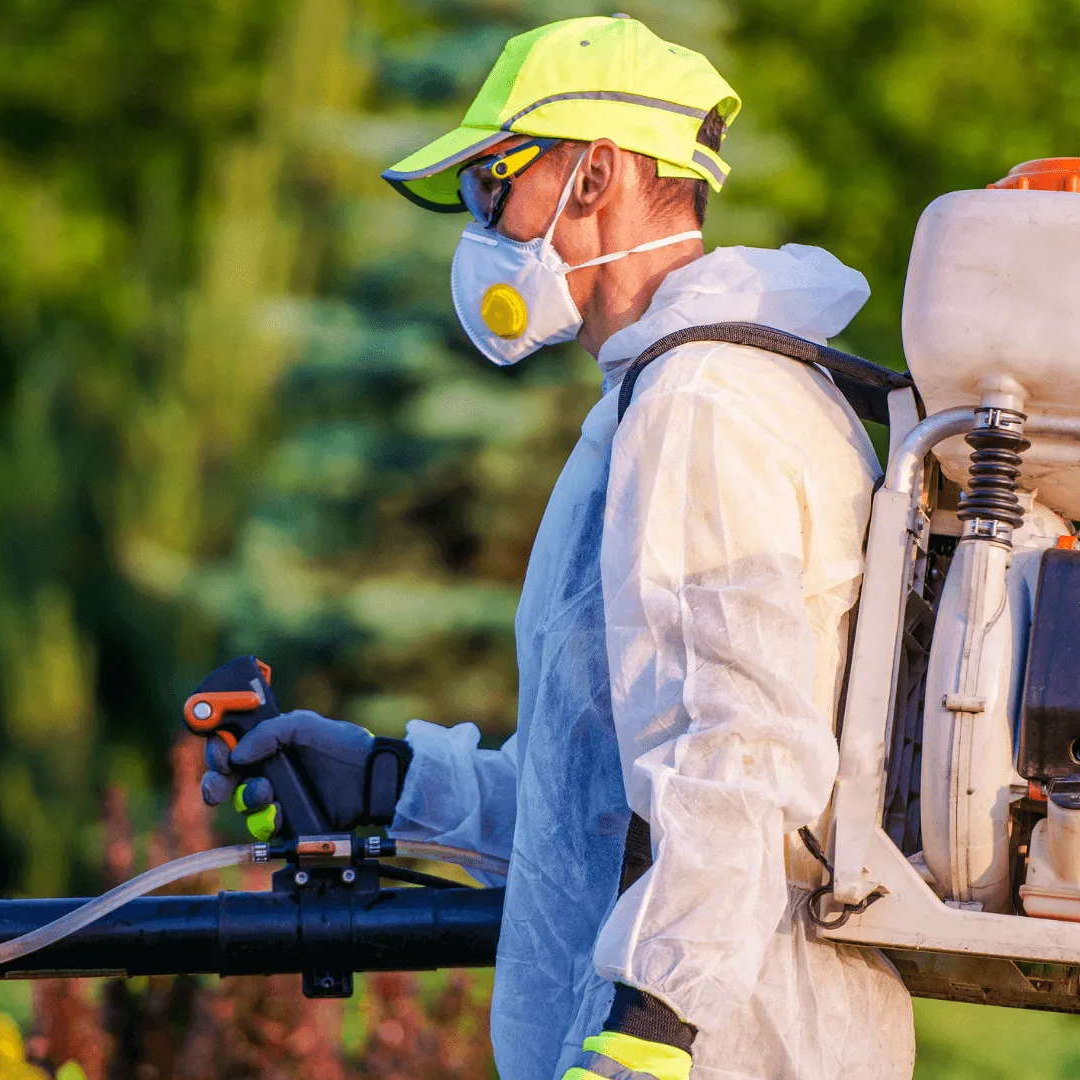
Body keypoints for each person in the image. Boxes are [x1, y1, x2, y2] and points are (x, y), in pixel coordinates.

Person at [200, 15, 915, 1080]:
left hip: (728, 1049)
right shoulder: (660, 395)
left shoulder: (704, 400)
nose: (480, 224)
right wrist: (393, 784)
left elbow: (741, 751)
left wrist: (650, 1033)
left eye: (495, 183)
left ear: (596, 176)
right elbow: (602, 805)